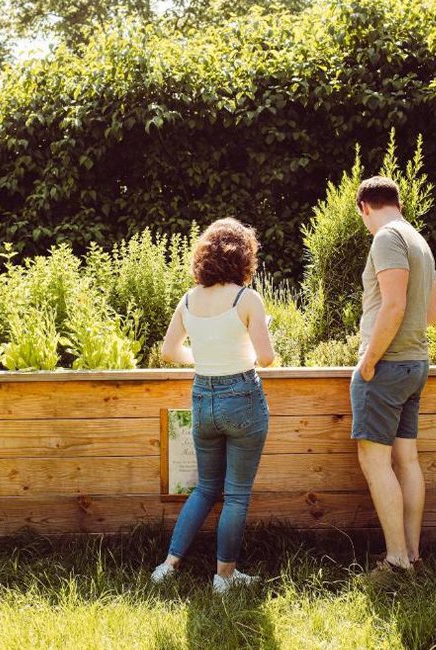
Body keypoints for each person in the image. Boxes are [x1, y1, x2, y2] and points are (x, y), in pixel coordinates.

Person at [150, 217, 276, 593]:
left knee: (205, 488)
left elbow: (169, 351)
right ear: (244, 258)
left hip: (203, 397)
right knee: (235, 494)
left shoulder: (188, 299)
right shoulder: (246, 298)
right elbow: (266, 358)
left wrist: (203, 358)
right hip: (242, 399)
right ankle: (224, 577)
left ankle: (169, 564)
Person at [351, 175, 436, 572]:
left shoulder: (386, 237)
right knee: (406, 459)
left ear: (365, 207)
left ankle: (396, 559)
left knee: (375, 461)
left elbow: (394, 305)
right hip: (416, 362)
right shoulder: (419, 241)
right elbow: (431, 314)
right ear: (398, 202)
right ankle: (412, 555)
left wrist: (369, 360)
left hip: (386, 366)